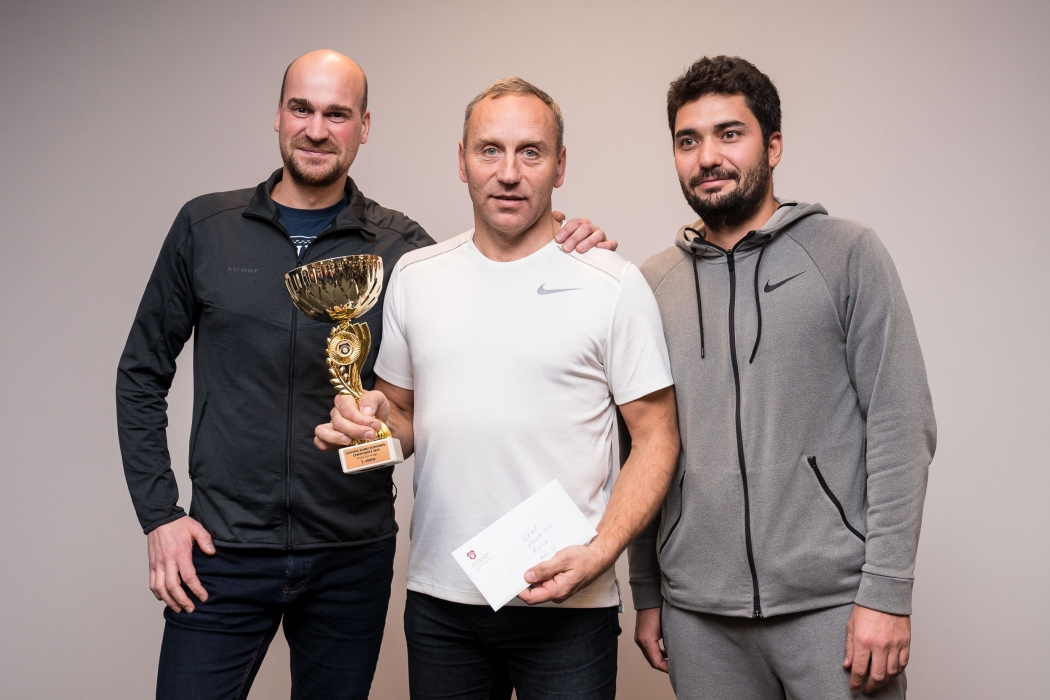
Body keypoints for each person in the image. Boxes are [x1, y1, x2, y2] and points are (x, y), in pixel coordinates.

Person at [115, 50, 613, 700]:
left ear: (364, 126)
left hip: (351, 556)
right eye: (302, 109)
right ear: (277, 115)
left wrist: (562, 237)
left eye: (338, 114)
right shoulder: (206, 229)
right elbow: (141, 374)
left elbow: (490, 290)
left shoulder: (403, 250)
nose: (317, 129)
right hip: (222, 548)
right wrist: (160, 515)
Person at [315, 77, 680, 700]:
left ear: (560, 166)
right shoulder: (416, 276)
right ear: (462, 161)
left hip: (569, 601)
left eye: (530, 152)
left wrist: (599, 555)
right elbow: (402, 419)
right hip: (442, 604)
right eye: (490, 150)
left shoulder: (612, 284)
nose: (509, 173)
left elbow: (657, 439)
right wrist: (367, 424)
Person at [628, 55, 936, 699]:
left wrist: (886, 592)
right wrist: (648, 591)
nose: (707, 157)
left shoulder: (846, 254)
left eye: (729, 134)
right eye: (688, 141)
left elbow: (901, 426)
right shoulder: (650, 284)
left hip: (835, 609)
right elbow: (642, 445)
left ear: (772, 146)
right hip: (699, 618)